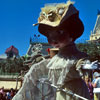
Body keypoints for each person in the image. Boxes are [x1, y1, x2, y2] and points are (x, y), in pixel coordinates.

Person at [12, 1, 91, 100]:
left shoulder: (75, 56)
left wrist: (84, 66)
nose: (53, 38)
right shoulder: (53, 62)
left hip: (76, 93)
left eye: (60, 32)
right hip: (60, 94)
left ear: (72, 33)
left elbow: (81, 62)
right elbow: (43, 70)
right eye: (49, 34)